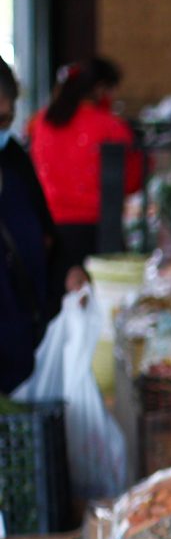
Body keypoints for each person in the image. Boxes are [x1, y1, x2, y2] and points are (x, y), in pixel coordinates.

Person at [0, 60, 85, 392]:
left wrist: (68, 271)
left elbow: (46, 235)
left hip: (25, 349)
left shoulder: (16, 162)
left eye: (5, 119)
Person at [28, 58, 143, 271]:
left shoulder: (41, 122)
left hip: (51, 231)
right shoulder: (112, 127)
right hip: (99, 234)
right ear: (100, 89)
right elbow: (132, 181)